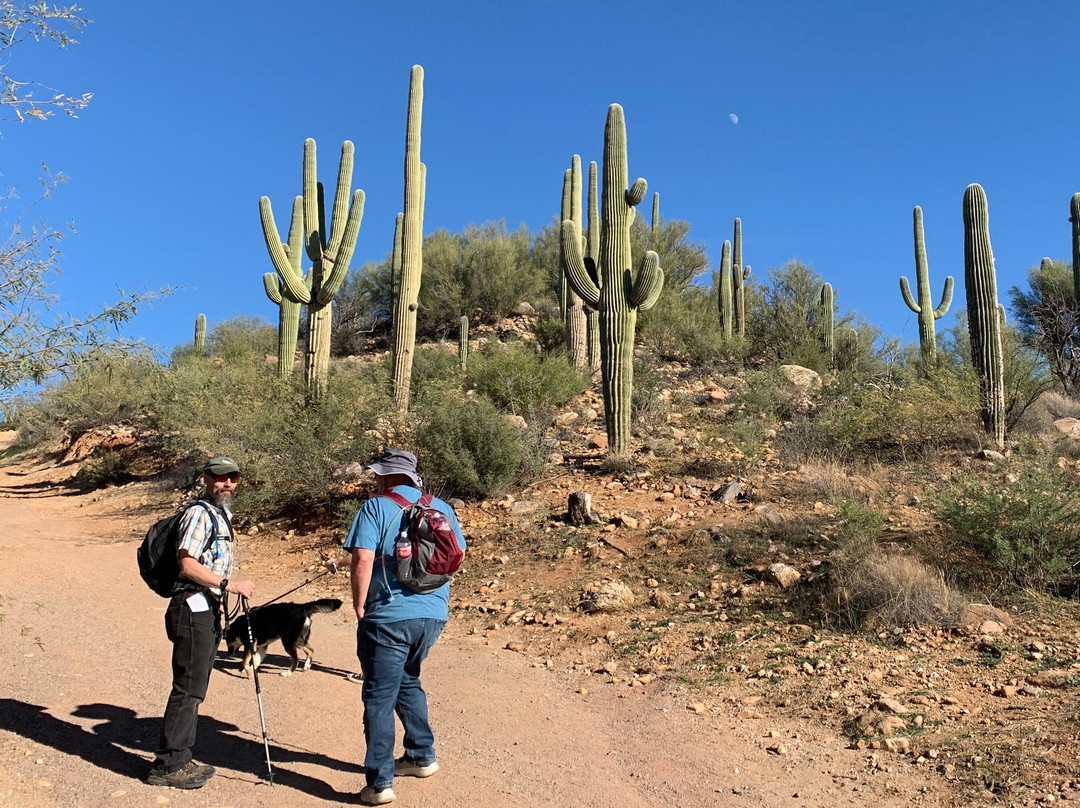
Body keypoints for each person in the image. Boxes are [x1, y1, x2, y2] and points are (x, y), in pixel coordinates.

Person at [343, 447, 465, 806]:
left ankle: (379, 784)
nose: (374, 479)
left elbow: (363, 557)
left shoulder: (376, 507)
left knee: (379, 695)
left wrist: (359, 603)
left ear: (386, 475)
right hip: (432, 616)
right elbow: (457, 555)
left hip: (389, 617)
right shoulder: (442, 507)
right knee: (408, 678)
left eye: (377, 473)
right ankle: (420, 756)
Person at [147, 456, 256, 789]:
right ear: (207, 478)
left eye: (233, 477)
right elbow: (187, 565)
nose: (227, 483)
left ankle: (180, 757)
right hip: (191, 606)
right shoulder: (198, 514)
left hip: (207, 606)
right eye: (220, 477)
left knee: (195, 687)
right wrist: (228, 585)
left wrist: (220, 599)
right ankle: (167, 766)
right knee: (188, 688)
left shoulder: (222, 515)